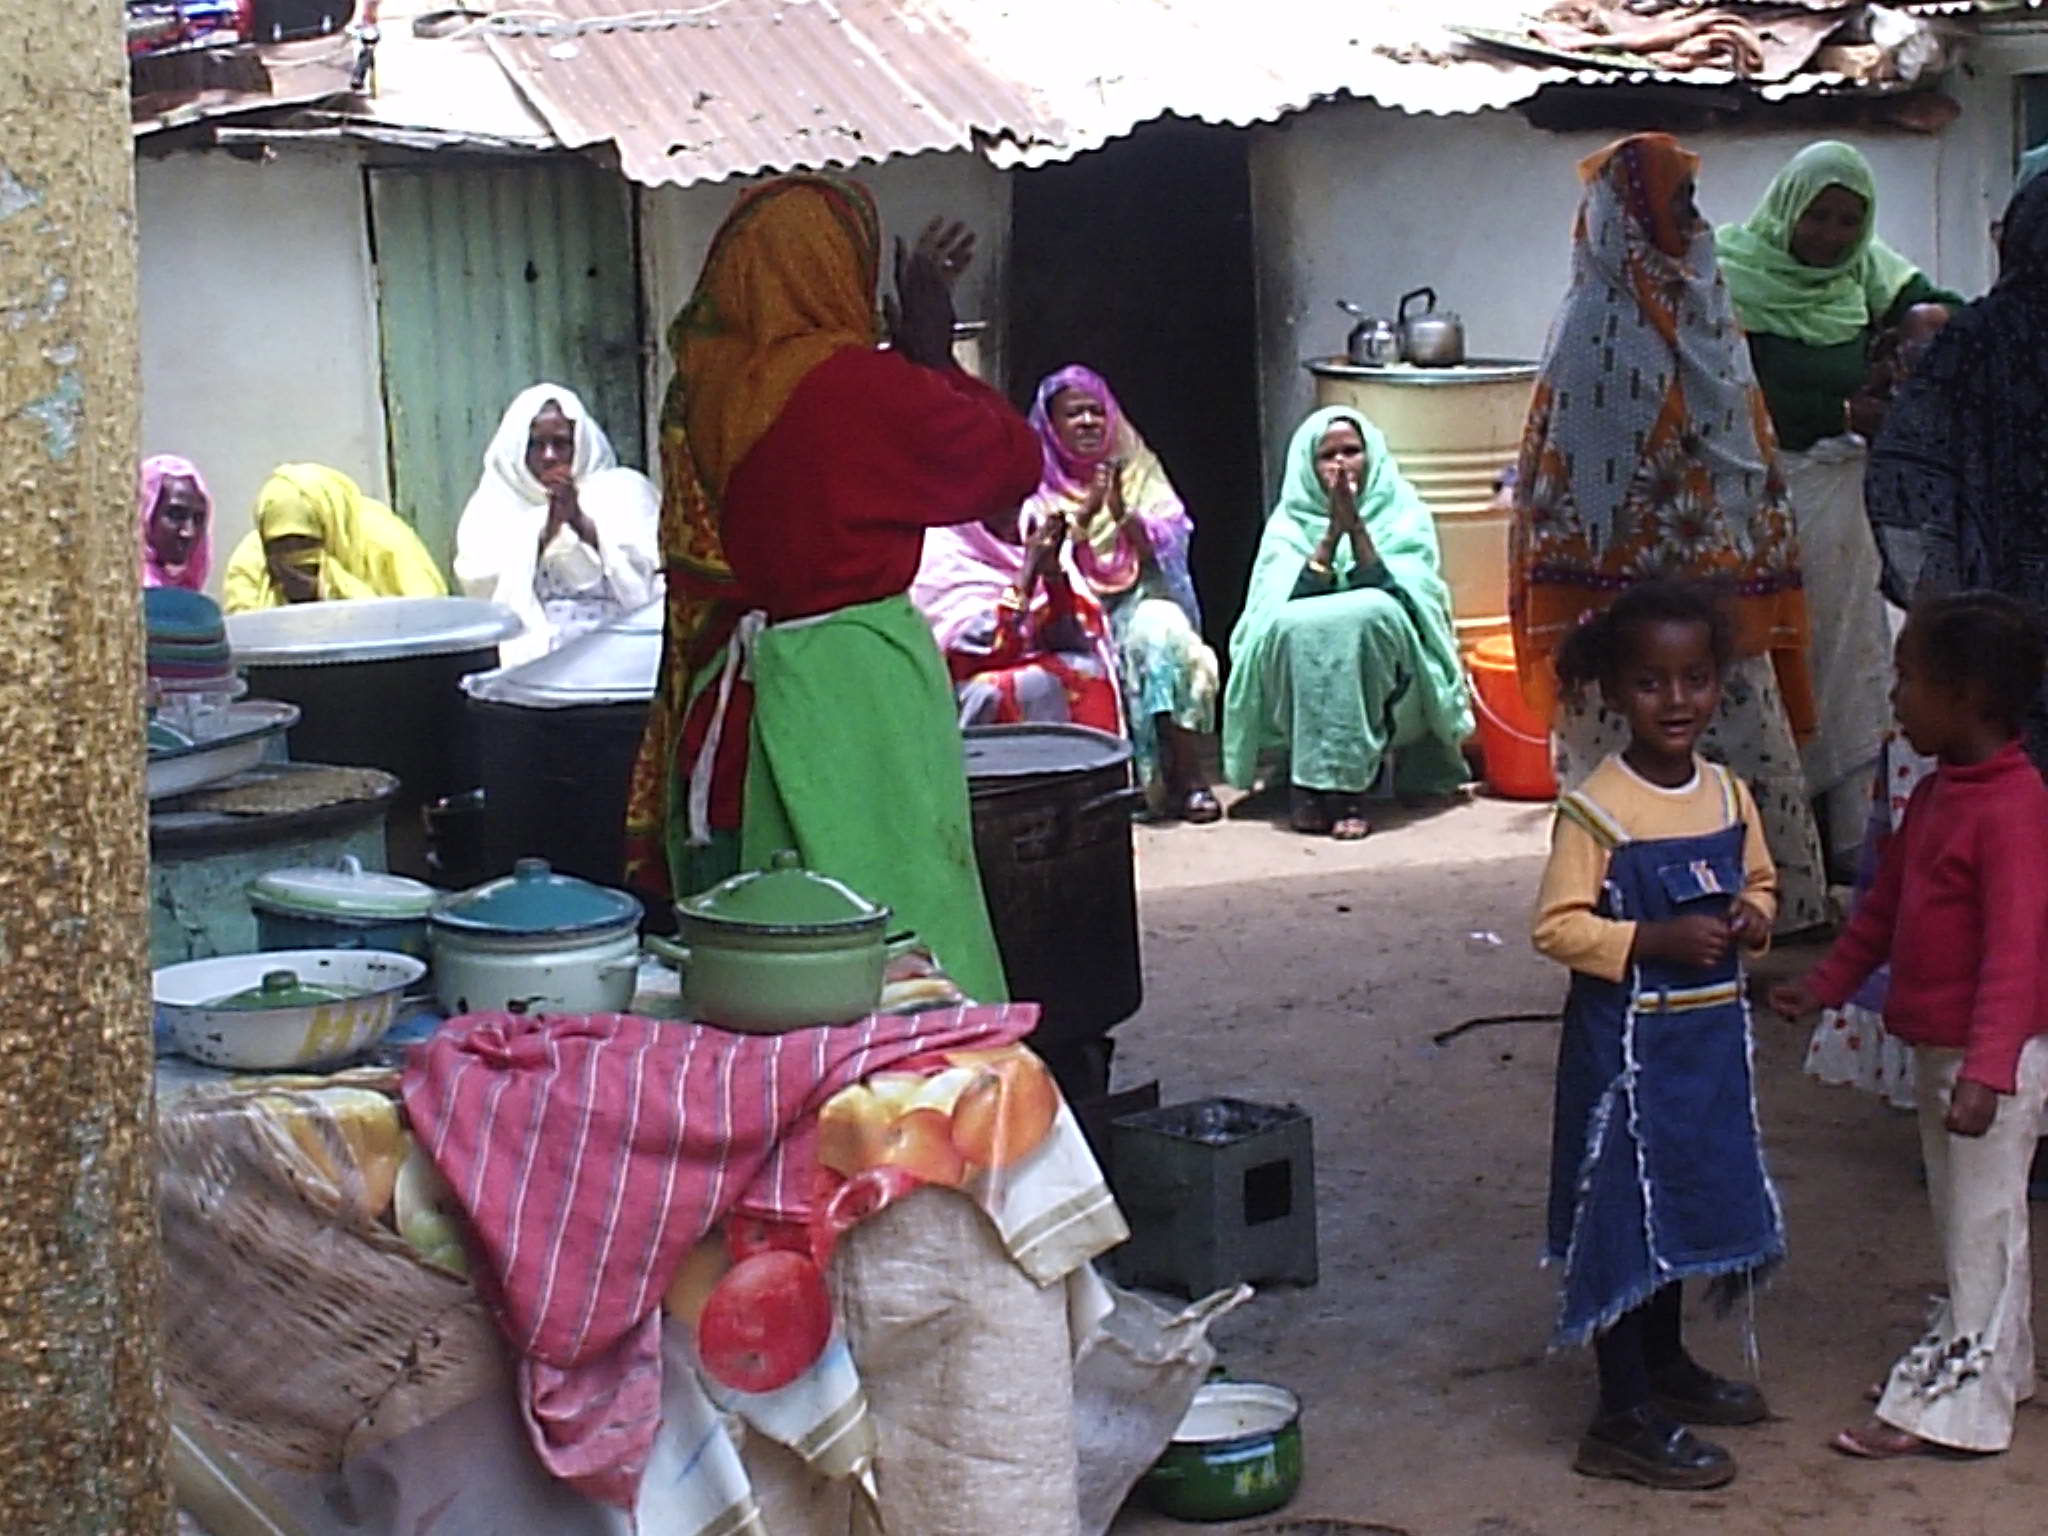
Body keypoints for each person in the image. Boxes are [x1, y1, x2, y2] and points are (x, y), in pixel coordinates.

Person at [621, 174, 1031, 1004]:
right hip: (858, 684)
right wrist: (931, 351)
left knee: (774, 911)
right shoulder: (854, 388)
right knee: (894, 901)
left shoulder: (701, 387)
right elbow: (1008, 465)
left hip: (742, 683)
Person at [1512, 131, 1828, 935]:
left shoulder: (1703, 301)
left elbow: (1735, 440)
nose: (1695, 219)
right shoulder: (1598, 322)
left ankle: (1767, 910)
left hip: (1719, 590)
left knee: (1746, 742)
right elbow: (1584, 481)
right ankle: (1630, 916)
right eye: (1678, 201)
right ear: (1634, 213)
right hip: (1624, 607)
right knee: (1631, 758)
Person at [1771, 592, 2048, 1461]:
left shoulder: (2013, 808)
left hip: (1984, 1060)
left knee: (1980, 1224)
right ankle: (2002, 1367)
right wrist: (1825, 985)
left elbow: (2018, 953)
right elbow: (1882, 909)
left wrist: (1989, 1069)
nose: (1895, 697)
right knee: (1976, 1218)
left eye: (1908, 678)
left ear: (1966, 696)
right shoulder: (1935, 795)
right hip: (1945, 1053)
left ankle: (1956, 1404)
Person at [1533, 579, 1784, 1492]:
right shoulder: (1596, 808)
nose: (1676, 702)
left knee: (1679, 1206)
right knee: (1624, 1219)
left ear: (1720, 683)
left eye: (1695, 679)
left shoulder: (1728, 794)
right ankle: (1621, 1412)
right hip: (1624, 1067)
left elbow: (1763, 883)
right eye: (1650, 683)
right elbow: (1556, 928)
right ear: (1610, 692)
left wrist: (1752, 918)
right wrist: (1652, 939)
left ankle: (1668, 1364)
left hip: (1706, 1055)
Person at [1716, 141, 1966, 874]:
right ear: (1786, 208)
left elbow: (1941, 312)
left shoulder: (1866, 270)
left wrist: (1912, 339)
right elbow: (1726, 387)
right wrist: (1836, 407)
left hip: (1841, 502)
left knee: (1851, 657)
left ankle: (1849, 840)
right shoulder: (1729, 272)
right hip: (1761, 497)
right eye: (1816, 217)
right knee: (1775, 658)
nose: (1828, 235)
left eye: (1847, 221)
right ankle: (1780, 847)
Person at [1867, 172, 2048, 773]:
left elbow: (1905, 469)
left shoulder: (1975, 336)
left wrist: (1936, 592)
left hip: (2003, 605)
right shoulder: (1975, 336)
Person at [1221, 406, 1471, 840]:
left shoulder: (1404, 513)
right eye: (1327, 455)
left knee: (1369, 612)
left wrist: (1356, 530)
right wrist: (1330, 536)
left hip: (1399, 687)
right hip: (1296, 684)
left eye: (1352, 451)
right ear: (1307, 465)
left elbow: (1408, 602)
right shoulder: (1286, 527)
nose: (1341, 464)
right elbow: (1274, 611)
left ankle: (1346, 791)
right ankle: (1311, 786)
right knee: (1296, 624)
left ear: (1371, 456)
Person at [1023, 366, 1220, 821]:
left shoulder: (1135, 467)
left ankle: (1187, 775)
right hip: (1063, 612)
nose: (1089, 422)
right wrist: (1089, 511)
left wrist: (1122, 513)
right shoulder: (1034, 479)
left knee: (1166, 635)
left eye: (1097, 411)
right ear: (1051, 426)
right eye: (1074, 414)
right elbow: (1037, 556)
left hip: (1132, 599)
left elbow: (1170, 538)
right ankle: (1112, 787)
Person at [454, 383, 660, 667]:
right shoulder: (492, 508)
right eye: (536, 445)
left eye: (561, 443)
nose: (549, 456)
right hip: (533, 662)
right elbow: (482, 587)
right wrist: (544, 533)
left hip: (623, 653)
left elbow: (650, 578)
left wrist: (581, 524)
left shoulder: (624, 492)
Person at [910, 499, 1121, 733]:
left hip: (1036, 665)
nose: (1011, 516)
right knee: (993, 690)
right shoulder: (944, 554)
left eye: (1017, 504)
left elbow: (1074, 637)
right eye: (1000, 505)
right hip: (965, 686)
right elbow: (978, 651)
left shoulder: (1034, 532)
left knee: (1086, 669)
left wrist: (1052, 575)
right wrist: (1027, 574)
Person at [222, 464, 447, 612]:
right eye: (279, 545)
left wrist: (330, 596)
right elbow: (245, 636)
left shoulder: (384, 542)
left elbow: (426, 619)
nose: (293, 557)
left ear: (330, 531)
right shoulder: (249, 563)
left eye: (306, 543)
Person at [138, 454, 212, 592]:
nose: (188, 532)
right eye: (175, 515)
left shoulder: (189, 600)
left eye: (198, 519)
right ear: (146, 515)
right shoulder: (125, 592)